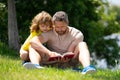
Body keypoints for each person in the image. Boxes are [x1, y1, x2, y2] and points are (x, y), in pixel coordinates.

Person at [27, 11, 96, 74]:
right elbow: (33, 42)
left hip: (70, 61)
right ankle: (36, 66)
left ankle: (87, 68)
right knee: (33, 46)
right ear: (53, 25)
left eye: (62, 27)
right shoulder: (49, 32)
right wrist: (49, 53)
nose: (60, 29)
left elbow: (70, 51)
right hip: (51, 60)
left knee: (82, 44)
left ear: (67, 23)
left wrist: (65, 56)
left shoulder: (77, 33)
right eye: (57, 27)